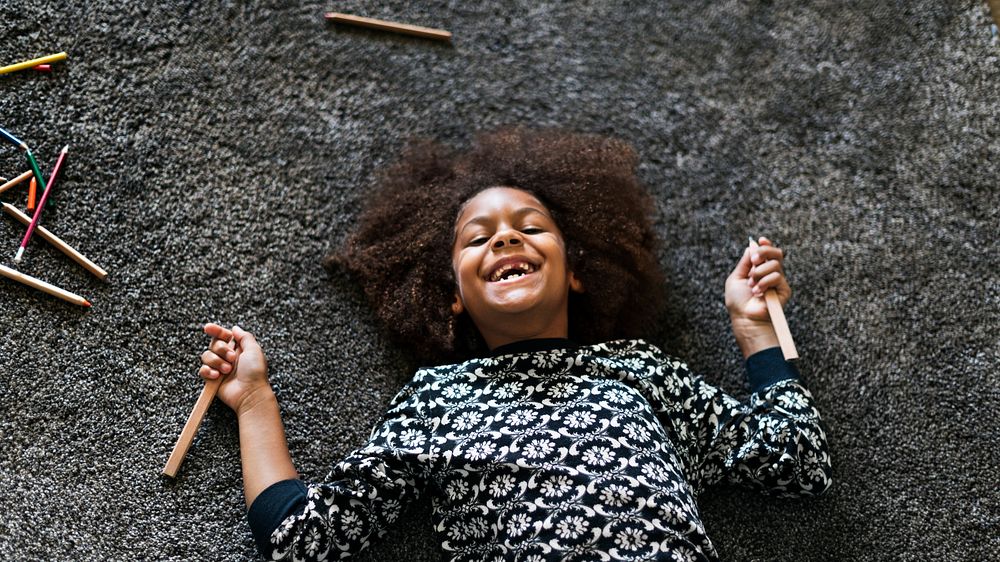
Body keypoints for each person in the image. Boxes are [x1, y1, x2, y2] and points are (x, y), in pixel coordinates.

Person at [197, 127, 832, 562]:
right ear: (450, 295)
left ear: (577, 272)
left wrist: (754, 330)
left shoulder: (639, 369)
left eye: (531, 228)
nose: (505, 240)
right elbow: (302, 539)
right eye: (478, 238)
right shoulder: (436, 400)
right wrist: (253, 400)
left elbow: (798, 462)